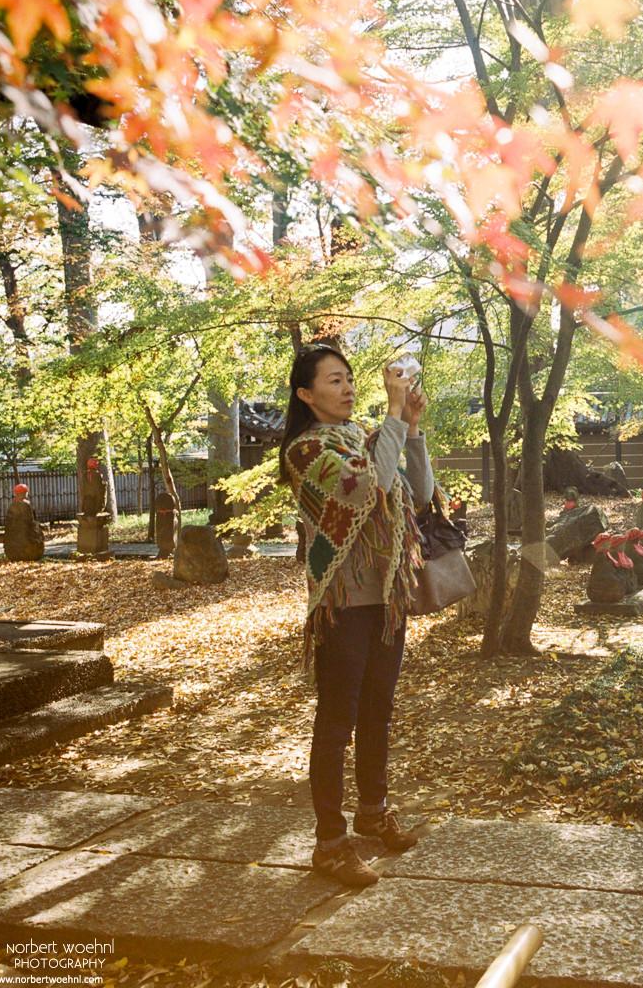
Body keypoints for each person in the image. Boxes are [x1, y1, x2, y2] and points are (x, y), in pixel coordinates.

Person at [279, 344, 435, 887]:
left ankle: (373, 812)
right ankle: (329, 842)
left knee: (378, 711)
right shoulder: (305, 451)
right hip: (342, 602)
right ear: (306, 394)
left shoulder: (366, 439)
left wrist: (411, 429)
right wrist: (392, 420)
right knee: (336, 721)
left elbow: (416, 496)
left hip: (386, 598)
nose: (346, 389)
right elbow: (365, 487)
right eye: (333, 380)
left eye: (348, 379)